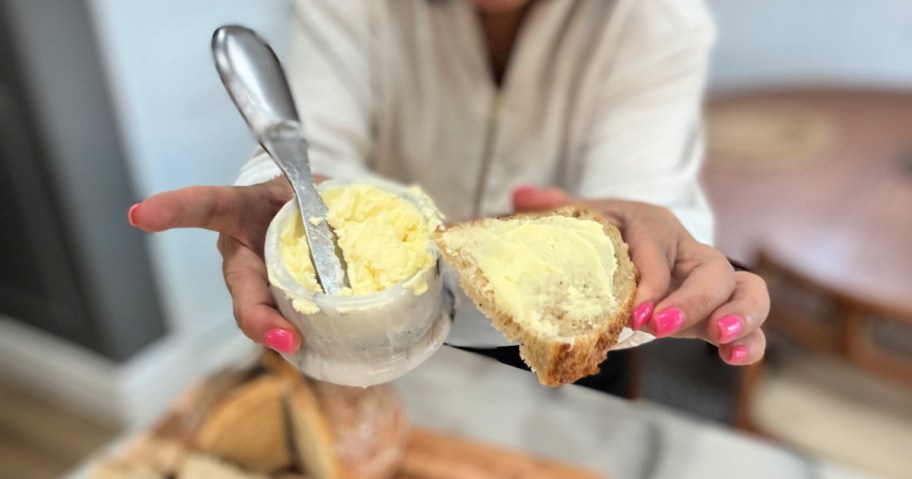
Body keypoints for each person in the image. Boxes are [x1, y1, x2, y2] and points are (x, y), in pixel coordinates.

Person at [129, 0, 769, 396]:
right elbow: (312, 143)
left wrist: (660, 262)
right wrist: (272, 200)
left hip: (574, 355)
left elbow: (645, 195)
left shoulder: (655, 19)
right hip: (375, 342)